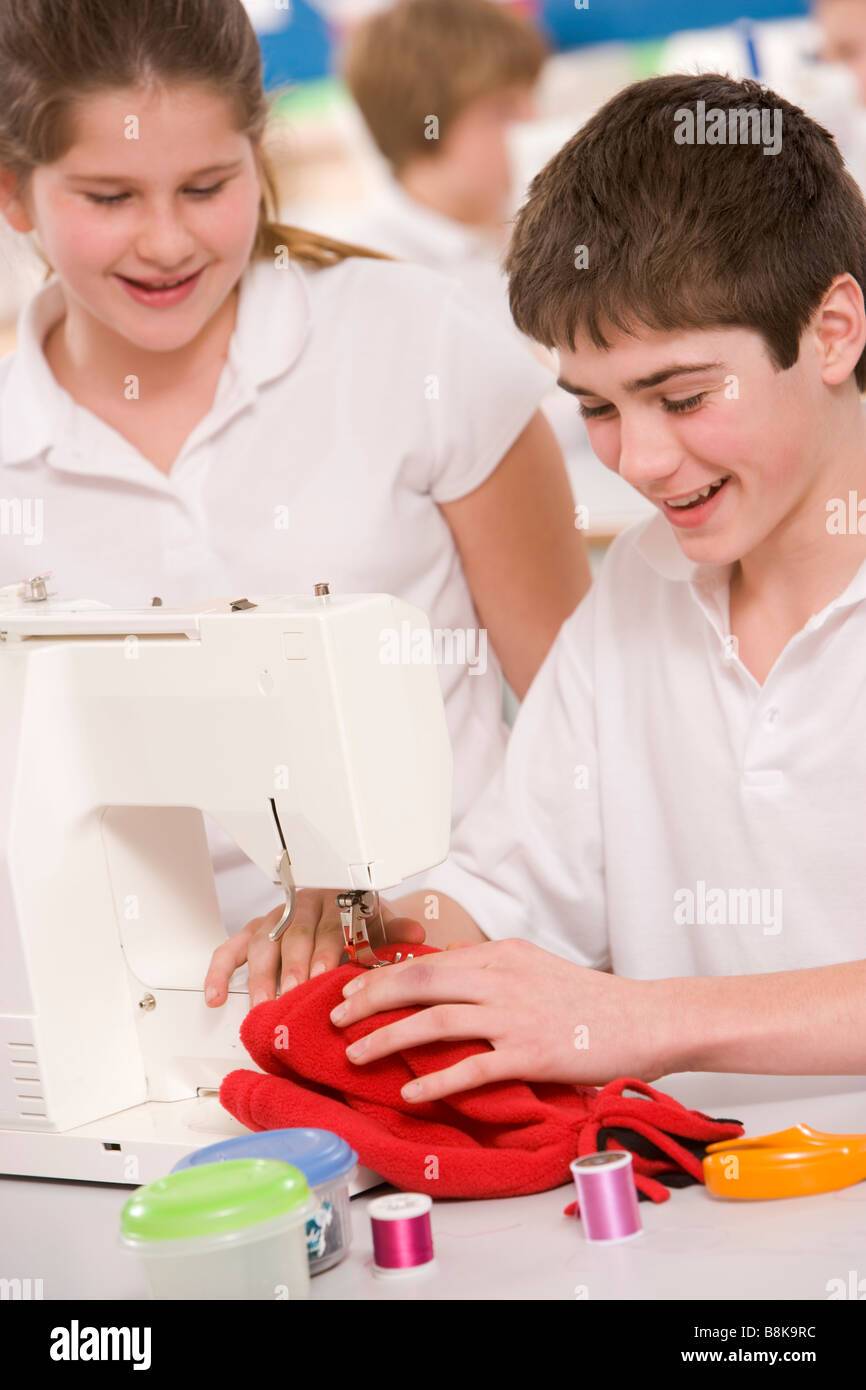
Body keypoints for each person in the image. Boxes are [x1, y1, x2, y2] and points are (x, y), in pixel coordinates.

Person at [230, 74, 866, 1094]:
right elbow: (508, 884)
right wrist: (357, 928)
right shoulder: (643, 596)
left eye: (682, 395)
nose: (642, 460)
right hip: (704, 1211)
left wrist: (638, 1020)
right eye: (598, 408)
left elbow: (610, 1012)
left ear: (831, 330)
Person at [0, 0, 589, 981]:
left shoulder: (416, 343)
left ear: (258, 156)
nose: (165, 241)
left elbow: (587, 722)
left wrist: (456, 905)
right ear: (16, 195)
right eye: (109, 197)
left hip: (445, 989)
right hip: (133, 1051)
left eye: (206, 185)